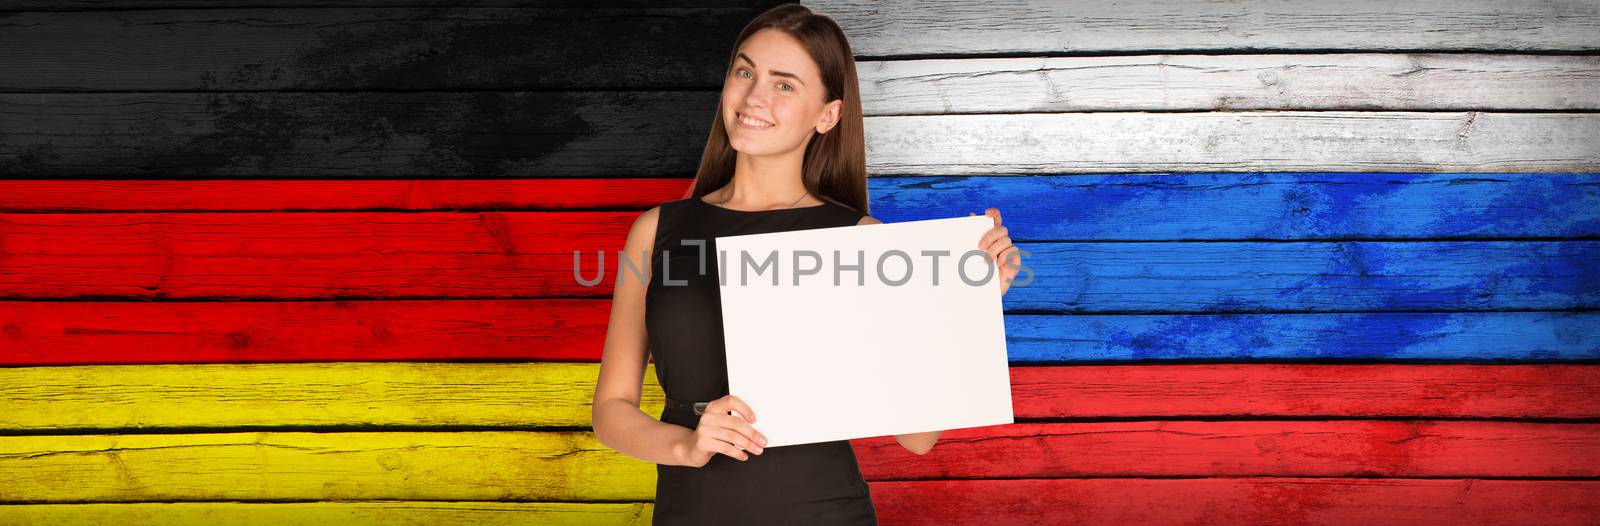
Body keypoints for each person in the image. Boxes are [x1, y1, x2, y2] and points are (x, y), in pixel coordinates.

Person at [590, 4, 1021, 525]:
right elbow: (610, 411)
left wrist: (963, 308)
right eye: (745, 72)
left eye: (785, 85)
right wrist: (687, 446)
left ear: (828, 115)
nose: (754, 97)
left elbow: (918, 438)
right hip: (690, 511)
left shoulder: (862, 240)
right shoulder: (657, 231)